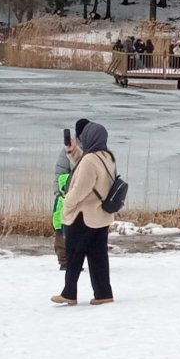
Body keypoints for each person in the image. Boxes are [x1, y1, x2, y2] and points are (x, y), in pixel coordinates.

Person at [51, 122, 117, 306]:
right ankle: (104, 293)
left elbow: (81, 187)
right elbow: (88, 166)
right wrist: (73, 152)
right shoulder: (107, 156)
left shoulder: (90, 160)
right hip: (100, 216)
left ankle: (69, 293)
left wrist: (67, 205)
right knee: (98, 257)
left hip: (84, 216)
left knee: (74, 255)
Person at [52, 119, 89, 270]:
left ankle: (76, 259)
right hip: (65, 195)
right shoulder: (68, 150)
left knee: (81, 230)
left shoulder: (93, 150)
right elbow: (60, 174)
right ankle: (64, 261)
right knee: (61, 228)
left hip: (83, 198)